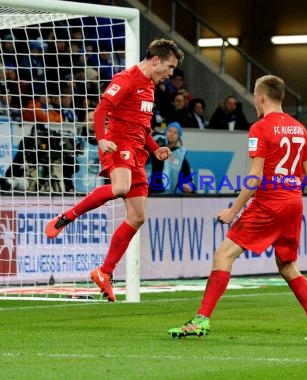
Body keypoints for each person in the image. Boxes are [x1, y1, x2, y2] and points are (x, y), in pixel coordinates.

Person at [168, 75, 307, 341]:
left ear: (262, 97)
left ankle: (201, 320)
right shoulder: (300, 129)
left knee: (223, 255)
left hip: (269, 202)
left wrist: (234, 210)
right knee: (288, 265)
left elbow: (254, 177)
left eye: (255, 95)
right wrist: (288, 183)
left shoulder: (260, 128)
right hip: (293, 202)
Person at [44, 38, 184, 302]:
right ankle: (65, 217)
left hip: (138, 152)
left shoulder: (150, 86)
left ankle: (104, 271)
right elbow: (101, 110)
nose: (171, 72)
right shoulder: (127, 78)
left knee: (138, 217)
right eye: (169, 66)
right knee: (121, 187)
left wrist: (154, 147)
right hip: (117, 144)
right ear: (155, 60)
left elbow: (142, 128)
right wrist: (101, 138)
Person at [146, 122, 194, 194]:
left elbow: (187, 180)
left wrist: (189, 187)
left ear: (179, 137)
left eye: (175, 132)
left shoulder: (180, 157)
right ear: (164, 133)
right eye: (169, 131)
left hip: (167, 197)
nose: (172, 134)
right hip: (147, 192)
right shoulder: (154, 149)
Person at [73, 109, 105, 194]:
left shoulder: (106, 144)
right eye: (90, 120)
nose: (92, 123)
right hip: (79, 192)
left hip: (99, 193)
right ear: (84, 122)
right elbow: (68, 165)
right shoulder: (76, 142)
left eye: (95, 120)